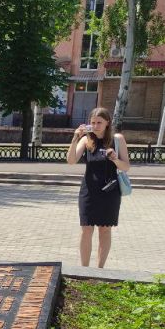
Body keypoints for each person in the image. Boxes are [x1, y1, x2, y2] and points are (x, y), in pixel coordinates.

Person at [67, 107, 129, 268]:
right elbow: (71, 160)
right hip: (89, 190)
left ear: (107, 122)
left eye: (99, 122)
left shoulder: (117, 139)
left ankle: (100, 270)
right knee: (86, 229)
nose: (95, 126)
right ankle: (84, 269)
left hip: (110, 191)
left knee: (105, 230)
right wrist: (75, 138)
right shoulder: (87, 140)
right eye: (93, 123)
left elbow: (126, 166)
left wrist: (115, 158)